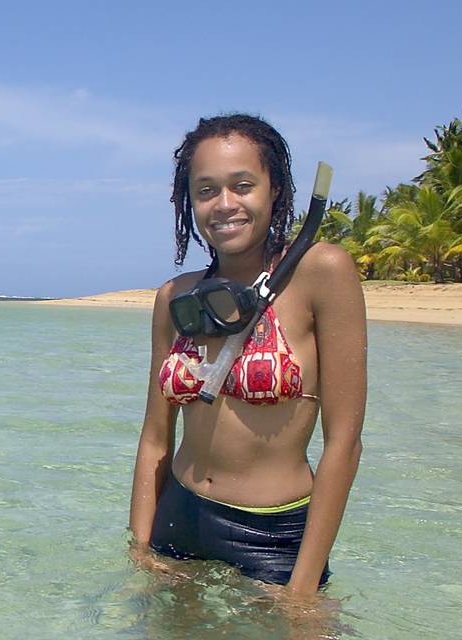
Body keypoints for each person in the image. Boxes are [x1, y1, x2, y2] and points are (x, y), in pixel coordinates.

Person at [128, 114, 367, 598]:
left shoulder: (322, 271)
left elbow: (344, 443)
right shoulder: (176, 296)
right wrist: (141, 548)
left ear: (273, 189)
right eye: (206, 190)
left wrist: (301, 590)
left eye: (242, 185)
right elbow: (155, 438)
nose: (225, 205)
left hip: (274, 537)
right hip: (178, 523)